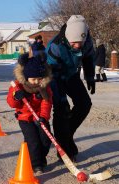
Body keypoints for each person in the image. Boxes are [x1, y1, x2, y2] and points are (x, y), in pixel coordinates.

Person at [46, 15, 95, 162]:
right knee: (62, 109)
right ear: (67, 38)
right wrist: (60, 98)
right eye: (74, 43)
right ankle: (64, 149)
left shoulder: (86, 42)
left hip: (71, 75)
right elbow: (51, 73)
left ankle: (67, 136)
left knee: (84, 104)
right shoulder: (55, 46)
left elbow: (88, 58)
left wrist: (90, 77)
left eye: (80, 43)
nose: (78, 46)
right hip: (55, 76)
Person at [7, 53, 53, 174]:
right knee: (33, 141)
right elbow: (11, 103)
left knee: (46, 140)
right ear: (26, 78)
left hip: (40, 117)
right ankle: (36, 164)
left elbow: (47, 103)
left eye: (39, 78)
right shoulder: (17, 87)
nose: (36, 82)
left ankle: (40, 159)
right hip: (25, 118)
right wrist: (16, 97)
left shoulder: (44, 87)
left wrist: (43, 117)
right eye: (33, 79)